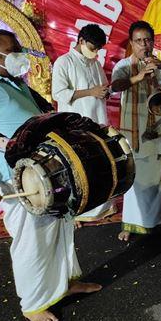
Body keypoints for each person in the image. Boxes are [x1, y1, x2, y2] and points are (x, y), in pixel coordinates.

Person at [0, 29, 101, 321]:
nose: (19, 54)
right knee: (31, 241)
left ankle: (63, 284)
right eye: (12, 49)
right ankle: (32, 303)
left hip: (49, 174)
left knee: (59, 233)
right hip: (19, 181)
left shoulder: (15, 83)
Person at [111, 21, 161, 241]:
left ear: (152, 41)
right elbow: (115, 86)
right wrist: (139, 76)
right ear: (131, 43)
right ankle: (132, 223)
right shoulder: (124, 65)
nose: (144, 45)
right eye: (138, 41)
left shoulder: (160, 65)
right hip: (136, 131)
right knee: (138, 178)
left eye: (147, 40)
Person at [52, 24, 116, 223]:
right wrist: (90, 92)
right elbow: (58, 93)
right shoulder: (64, 62)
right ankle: (78, 211)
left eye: (98, 49)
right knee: (78, 167)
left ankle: (102, 207)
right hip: (75, 125)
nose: (95, 52)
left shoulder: (95, 63)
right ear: (80, 41)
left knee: (99, 164)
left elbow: (103, 87)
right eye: (93, 47)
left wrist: (105, 91)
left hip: (97, 121)